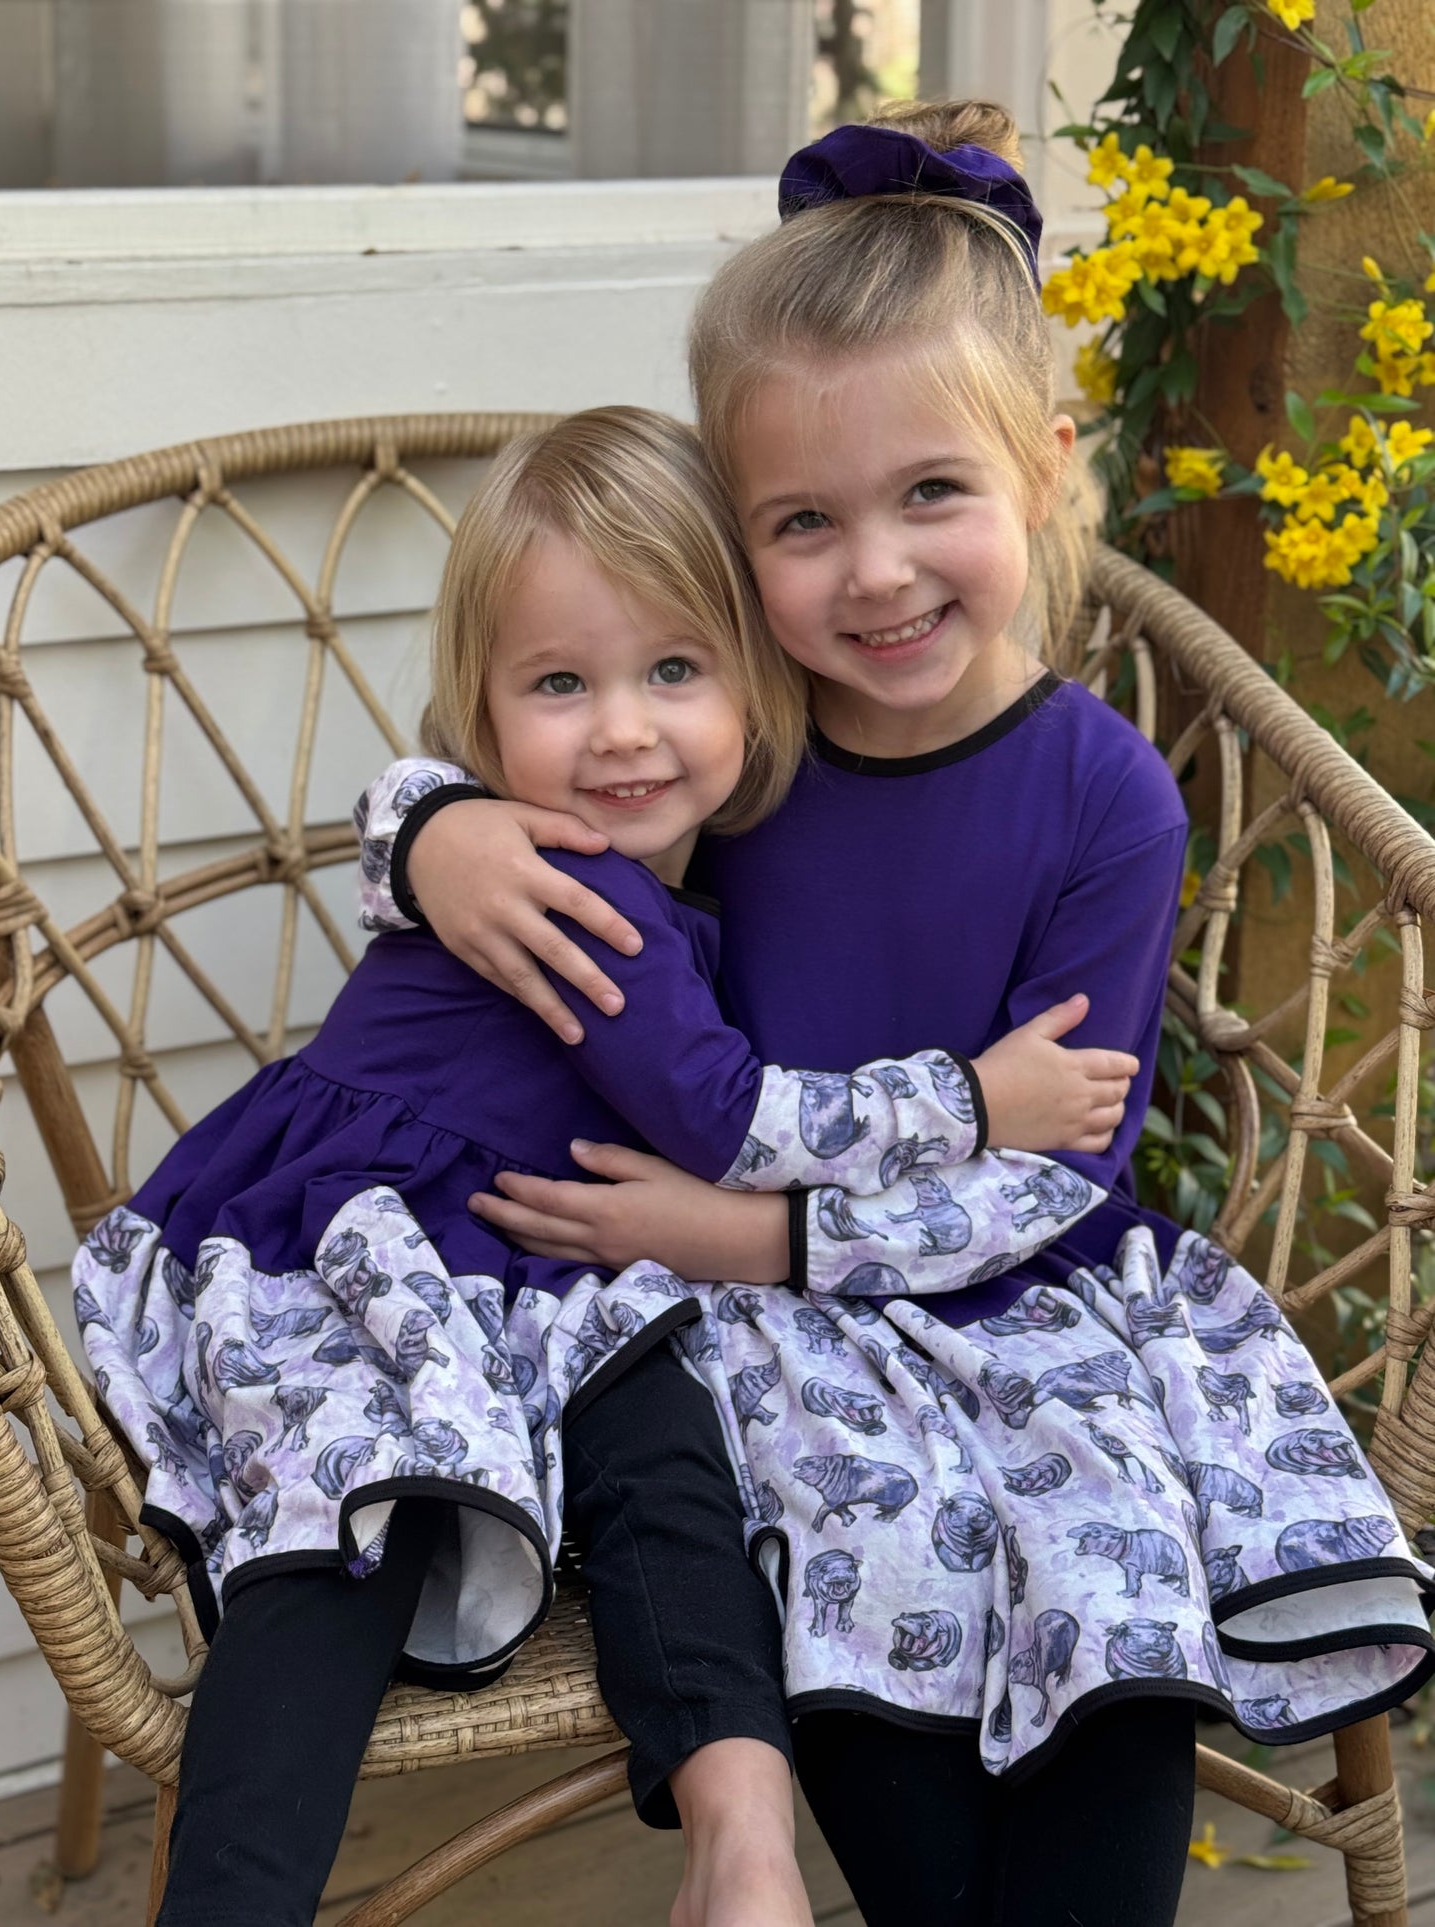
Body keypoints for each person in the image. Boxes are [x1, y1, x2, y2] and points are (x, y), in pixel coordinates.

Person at [352, 100, 1435, 1927]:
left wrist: (751, 1227)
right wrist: (433, 828)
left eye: (932, 493)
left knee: (1102, 1602)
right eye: (802, 522)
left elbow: (1058, 1161)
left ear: (1047, 469)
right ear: (732, 543)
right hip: (774, 1355)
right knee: (852, 1613)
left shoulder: (1105, 796)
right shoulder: (731, 740)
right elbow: (517, 775)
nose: (873, 571)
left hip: (1022, 1303)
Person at [73, 404, 1128, 1927]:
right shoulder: (577, 888)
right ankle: (245, 1898)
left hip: (539, 1279)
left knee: (669, 1474)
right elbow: (724, 1121)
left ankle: (742, 1835)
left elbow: (410, 823)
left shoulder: (612, 866)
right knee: (338, 1532)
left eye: (673, 672)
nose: (623, 728)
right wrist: (973, 1097)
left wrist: (425, 815)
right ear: (481, 716)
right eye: (560, 685)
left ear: (753, 688)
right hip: (357, 1262)